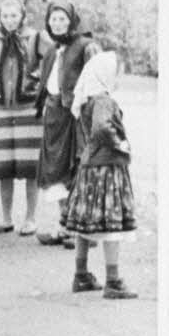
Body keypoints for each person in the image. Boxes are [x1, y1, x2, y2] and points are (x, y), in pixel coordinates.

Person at [61, 51, 137, 299]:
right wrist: (120, 145)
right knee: (111, 225)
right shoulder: (104, 100)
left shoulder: (86, 99)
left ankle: (81, 274)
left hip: (89, 167)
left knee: (86, 224)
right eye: (116, 74)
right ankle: (113, 280)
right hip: (106, 168)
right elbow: (103, 128)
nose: (118, 79)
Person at [34, 2, 101, 247]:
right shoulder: (52, 50)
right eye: (53, 19)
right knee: (56, 171)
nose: (58, 23)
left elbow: (99, 80)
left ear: (72, 20)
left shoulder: (86, 46)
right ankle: (65, 224)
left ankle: (83, 231)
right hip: (54, 117)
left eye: (62, 19)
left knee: (77, 168)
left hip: (77, 116)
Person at [0, 0, 48, 235]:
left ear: (22, 16)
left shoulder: (35, 38)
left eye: (14, 15)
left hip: (29, 109)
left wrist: (34, 78)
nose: (9, 20)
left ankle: (30, 218)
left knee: (30, 165)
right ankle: (6, 217)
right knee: (3, 165)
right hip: (1, 108)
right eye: (5, 16)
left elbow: (51, 61)